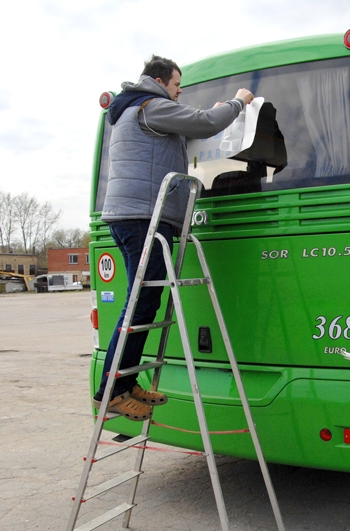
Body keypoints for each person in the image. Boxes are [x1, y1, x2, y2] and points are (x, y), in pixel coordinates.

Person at [93, 55, 254, 420]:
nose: (179, 92)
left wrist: (213, 113)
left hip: (133, 216)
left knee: (143, 303)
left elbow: (193, 127)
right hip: (143, 217)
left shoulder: (136, 110)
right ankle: (111, 391)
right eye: (177, 85)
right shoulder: (150, 105)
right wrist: (238, 102)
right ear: (159, 81)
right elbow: (205, 123)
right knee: (139, 305)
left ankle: (125, 382)